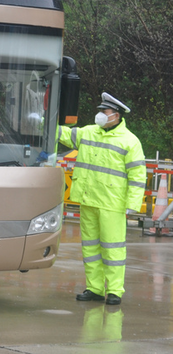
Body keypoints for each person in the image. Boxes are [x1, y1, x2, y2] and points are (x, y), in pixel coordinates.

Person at [58, 92, 145, 306]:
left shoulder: (129, 141)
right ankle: (95, 288)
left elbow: (137, 175)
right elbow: (65, 134)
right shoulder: (89, 132)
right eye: (100, 111)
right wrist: (43, 121)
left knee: (113, 248)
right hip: (89, 201)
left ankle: (115, 291)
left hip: (111, 204)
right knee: (90, 249)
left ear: (116, 115)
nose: (100, 115)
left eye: (104, 112)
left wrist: (132, 204)